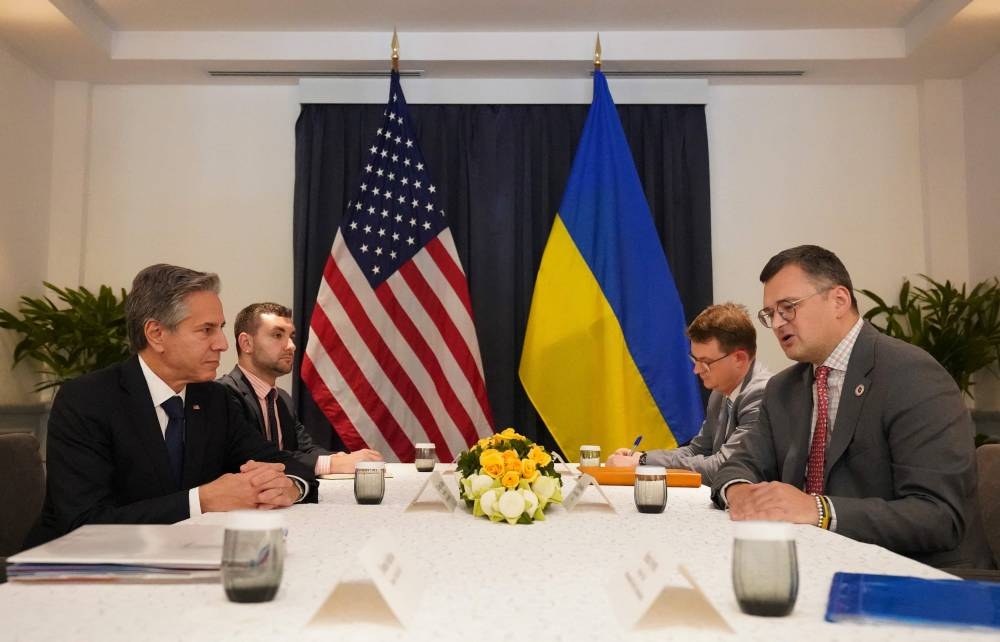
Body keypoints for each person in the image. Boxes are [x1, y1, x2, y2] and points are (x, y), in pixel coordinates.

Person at [712, 245, 992, 569]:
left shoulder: (912, 374)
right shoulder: (783, 389)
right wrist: (740, 492)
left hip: (921, 576)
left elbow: (939, 516)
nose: (776, 323)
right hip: (822, 563)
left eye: (787, 308)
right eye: (769, 314)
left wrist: (818, 509)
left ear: (839, 301)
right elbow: (740, 465)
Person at [28, 265, 318, 547]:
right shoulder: (87, 400)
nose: (222, 345)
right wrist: (201, 501)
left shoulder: (214, 400)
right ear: (156, 334)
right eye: (206, 330)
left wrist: (289, 486)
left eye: (221, 329)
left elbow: (286, 462)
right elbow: (84, 524)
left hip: (187, 559)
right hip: (79, 575)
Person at [606, 303, 771, 485]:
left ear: (739, 358)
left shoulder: (761, 395)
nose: (696, 370)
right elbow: (696, 451)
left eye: (705, 362)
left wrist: (640, 463)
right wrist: (640, 456)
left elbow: (725, 466)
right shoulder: (720, 392)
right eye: (694, 359)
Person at [219, 302, 382, 475]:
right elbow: (254, 458)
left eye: (291, 337)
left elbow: (306, 449)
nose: (291, 346)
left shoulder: (282, 398)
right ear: (246, 343)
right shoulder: (224, 394)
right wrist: (333, 464)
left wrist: (344, 458)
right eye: (277, 335)